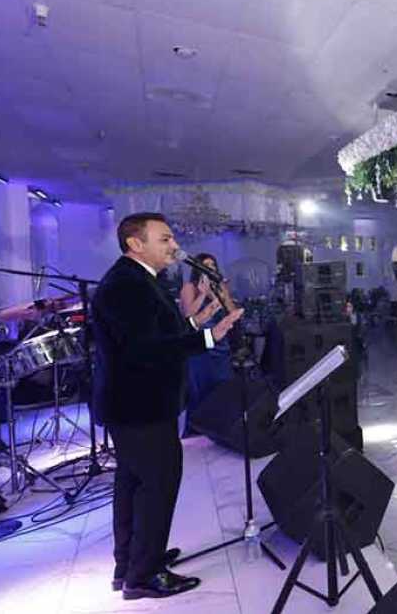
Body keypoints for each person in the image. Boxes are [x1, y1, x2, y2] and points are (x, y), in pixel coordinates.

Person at [94, 213, 243, 600]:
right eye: (165, 239)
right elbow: (146, 350)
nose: (174, 246)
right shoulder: (127, 285)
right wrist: (208, 338)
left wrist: (197, 324)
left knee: (132, 483)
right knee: (158, 484)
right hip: (140, 406)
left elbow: (156, 334)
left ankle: (130, 563)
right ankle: (144, 576)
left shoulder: (139, 279)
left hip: (134, 404)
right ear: (135, 244)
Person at [177, 253, 235, 438]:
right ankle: (198, 430)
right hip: (199, 345)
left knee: (223, 386)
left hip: (220, 344)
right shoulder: (189, 287)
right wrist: (203, 294)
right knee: (200, 389)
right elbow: (189, 316)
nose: (210, 268)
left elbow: (232, 313)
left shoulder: (220, 286)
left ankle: (221, 428)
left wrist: (220, 296)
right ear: (198, 269)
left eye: (213, 265)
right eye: (206, 265)